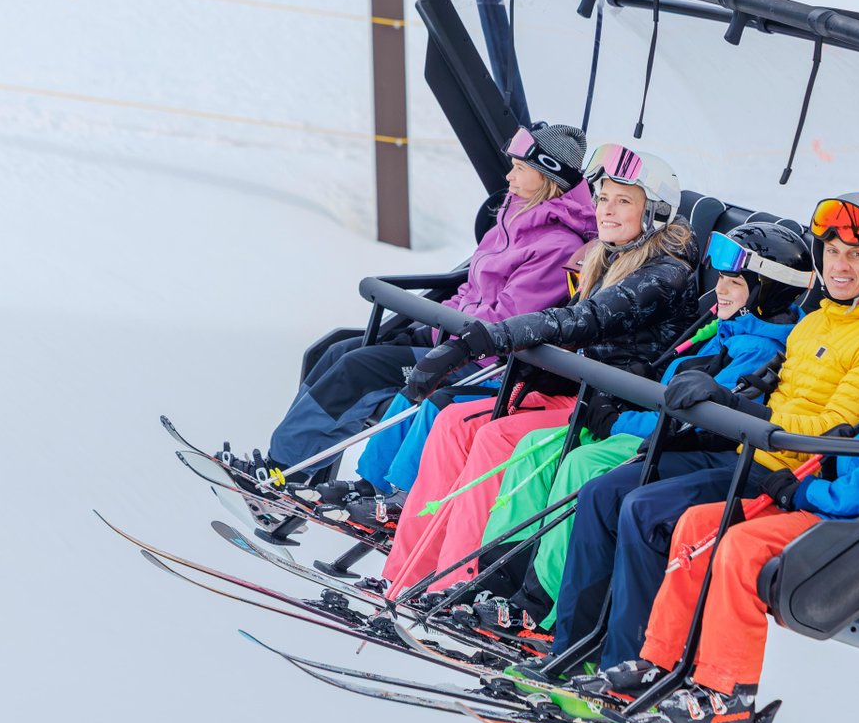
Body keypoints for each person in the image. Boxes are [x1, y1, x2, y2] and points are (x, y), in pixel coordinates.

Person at [547, 193, 859, 684]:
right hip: (744, 449)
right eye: (831, 252)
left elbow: (832, 432)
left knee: (644, 509)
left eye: (856, 254)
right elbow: (770, 381)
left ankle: (629, 664)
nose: (840, 266)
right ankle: (570, 650)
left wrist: (739, 408)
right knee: (602, 491)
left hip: (782, 469)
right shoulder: (817, 322)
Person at [631, 298, 859, 723]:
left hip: (852, 530)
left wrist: (800, 489)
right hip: (832, 509)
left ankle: (727, 695)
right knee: (699, 524)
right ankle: (660, 660)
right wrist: (838, 450)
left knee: (741, 549)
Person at [451, 221, 815, 630]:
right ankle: (499, 577)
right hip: (651, 429)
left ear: (768, 292)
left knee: (582, 466)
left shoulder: (757, 349)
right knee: (538, 447)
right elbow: (669, 383)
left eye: (735, 283)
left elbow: (698, 421)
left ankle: (539, 603)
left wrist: (618, 420)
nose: (721, 290)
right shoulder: (726, 328)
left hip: (675, 446)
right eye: (722, 279)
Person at [377, 145, 699, 595]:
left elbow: (583, 321)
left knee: (497, 436)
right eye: (603, 197)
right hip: (575, 388)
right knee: (452, 421)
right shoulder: (607, 255)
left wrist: (486, 337)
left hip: (609, 405)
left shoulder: (664, 275)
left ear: (654, 213)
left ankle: (457, 584)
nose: (607, 210)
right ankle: (405, 574)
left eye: (624, 201)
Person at [223, 123, 594, 487]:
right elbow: (471, 290)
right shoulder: (512, 218)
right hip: (450, 340)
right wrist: (428, 327)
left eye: (520, 169)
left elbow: (506, 321)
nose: (509, 177)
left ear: (548, 177)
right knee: (338, 350)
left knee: (359, 368)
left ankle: (282, 471)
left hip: (481, 362)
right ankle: (298, 469)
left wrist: (442, 332)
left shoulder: (557, 246)